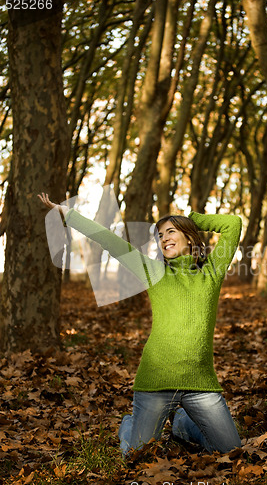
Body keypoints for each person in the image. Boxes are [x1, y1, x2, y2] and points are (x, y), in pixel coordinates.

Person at [38, 192, 242, 456]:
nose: (164, 238)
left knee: (230, 450)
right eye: (160, 235)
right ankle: (129, 424)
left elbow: (233, 224)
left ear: (189, 237)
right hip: (155, 382)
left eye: (171, 231)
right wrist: (69, 215)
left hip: (200, 384)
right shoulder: (155, 272)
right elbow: (111, 241)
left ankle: (181, 424)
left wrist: (193, 218)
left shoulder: (211, 273)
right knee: (135, 455)